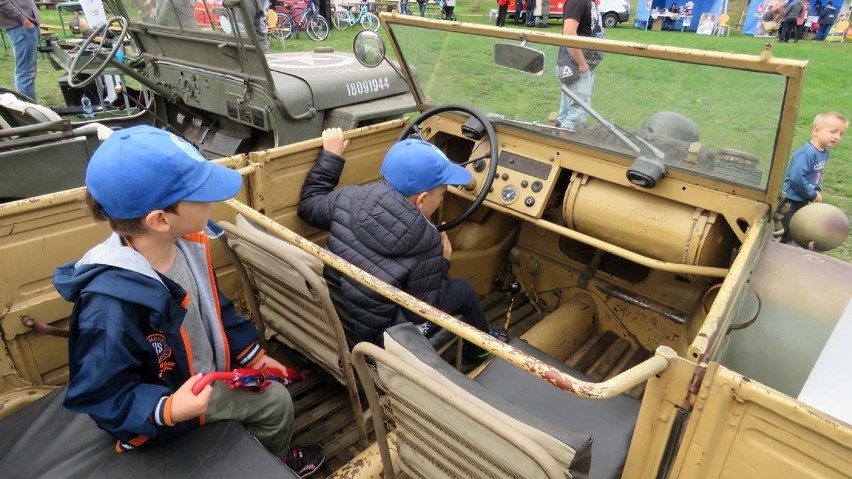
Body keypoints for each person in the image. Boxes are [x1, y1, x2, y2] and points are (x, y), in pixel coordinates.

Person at [54, 126, 325, 478]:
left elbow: (213, 306)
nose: (211, 200)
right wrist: (166, 409)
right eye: (201, 193)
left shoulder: (184, 245)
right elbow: (103, 396)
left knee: (269, 385)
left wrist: (251, 355)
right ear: (160, 219)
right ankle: (272, 463)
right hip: (164, 408)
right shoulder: (110, 305)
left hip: (202, 372)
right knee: (276, 403)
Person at [298, 129, 501, 360]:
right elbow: (422, 313)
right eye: (442, 194)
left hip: (331, 319)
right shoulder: (428, 243)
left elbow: (308, 206)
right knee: (463, 291)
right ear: (422, 199)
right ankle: (481, 351)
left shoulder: (348, 198)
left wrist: (331, 157)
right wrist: (443, 262)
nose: (442, 199)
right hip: (373, 345)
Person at [780, 112, 848, 244]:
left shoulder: (824, 152)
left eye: (840, 134)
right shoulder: (807, 153)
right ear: (816, 131)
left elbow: (817, 173)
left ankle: (789, 249)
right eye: (833, 132)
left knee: (795, 229)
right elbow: (796, 178)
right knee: (784, 229)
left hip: (801, 198)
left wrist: (817, 188)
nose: (837, 137)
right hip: (789, 199)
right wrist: (811, 194)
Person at [554, 0, 603, 131]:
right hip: (576, 66)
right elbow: (569, 33)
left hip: (579, 65)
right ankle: (564, 149)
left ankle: (557, 143)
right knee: (577, 115)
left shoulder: (590, 2)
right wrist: (582, 63)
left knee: (566, 113)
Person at [0, 0, 39, 100]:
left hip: (28, 24)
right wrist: (23, 20)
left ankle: (29, 108)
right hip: (20, 26)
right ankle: (28, 111)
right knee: (25, 72)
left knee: (27, 71)